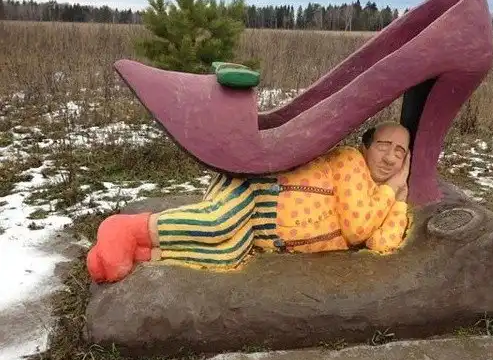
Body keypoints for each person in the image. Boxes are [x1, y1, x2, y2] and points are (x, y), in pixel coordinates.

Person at [87, 121, 413, 283]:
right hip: (254, 191)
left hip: (262, 235)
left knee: (227, 255)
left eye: (399, 153)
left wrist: (399, 197)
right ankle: (126, 228)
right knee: (219, 222)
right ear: (365, 146)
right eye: (384, 146)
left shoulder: (381, 201)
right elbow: (357, 230)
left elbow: (381, 243)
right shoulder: (351, 161)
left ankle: (141, 253)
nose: (389, 157)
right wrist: (393, 189)